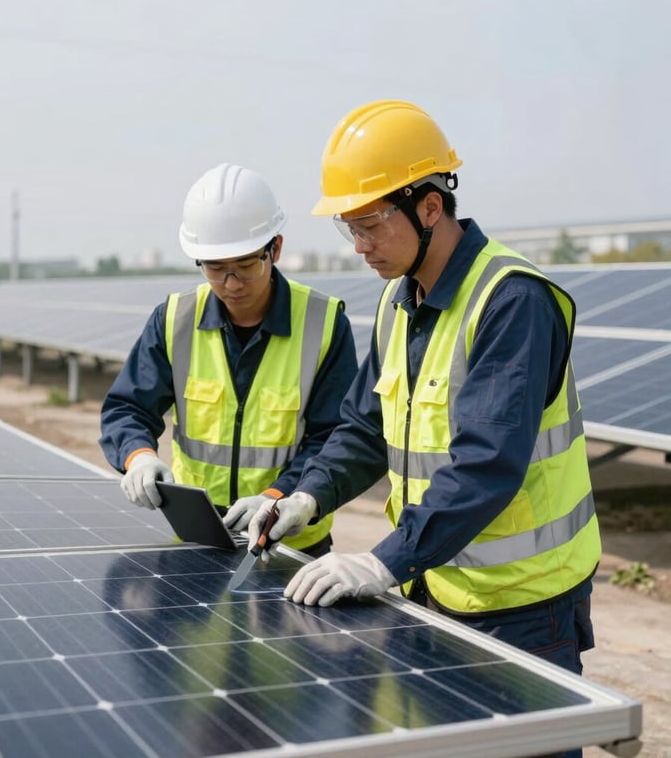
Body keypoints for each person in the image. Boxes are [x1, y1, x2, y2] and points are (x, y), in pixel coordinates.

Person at [248, 100, 601, 711]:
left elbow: (486, 464)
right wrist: (306, 495)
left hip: (521, 606)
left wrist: (382, 562)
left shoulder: (511, 301)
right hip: (434, 583)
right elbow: (363, 428)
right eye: (348, 228)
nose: (359, 245)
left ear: (430, 206)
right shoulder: (397, 301)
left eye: (371, 224)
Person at [99, 162, 358, 557]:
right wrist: (138, 456)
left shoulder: (323, 324)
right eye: (216, 269)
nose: (231, 285)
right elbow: (128, 407)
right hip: (198, 537)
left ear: (276, 249)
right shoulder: (174, 320)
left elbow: (333, 436)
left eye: (245, 266)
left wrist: (277, 497)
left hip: (289, 543)